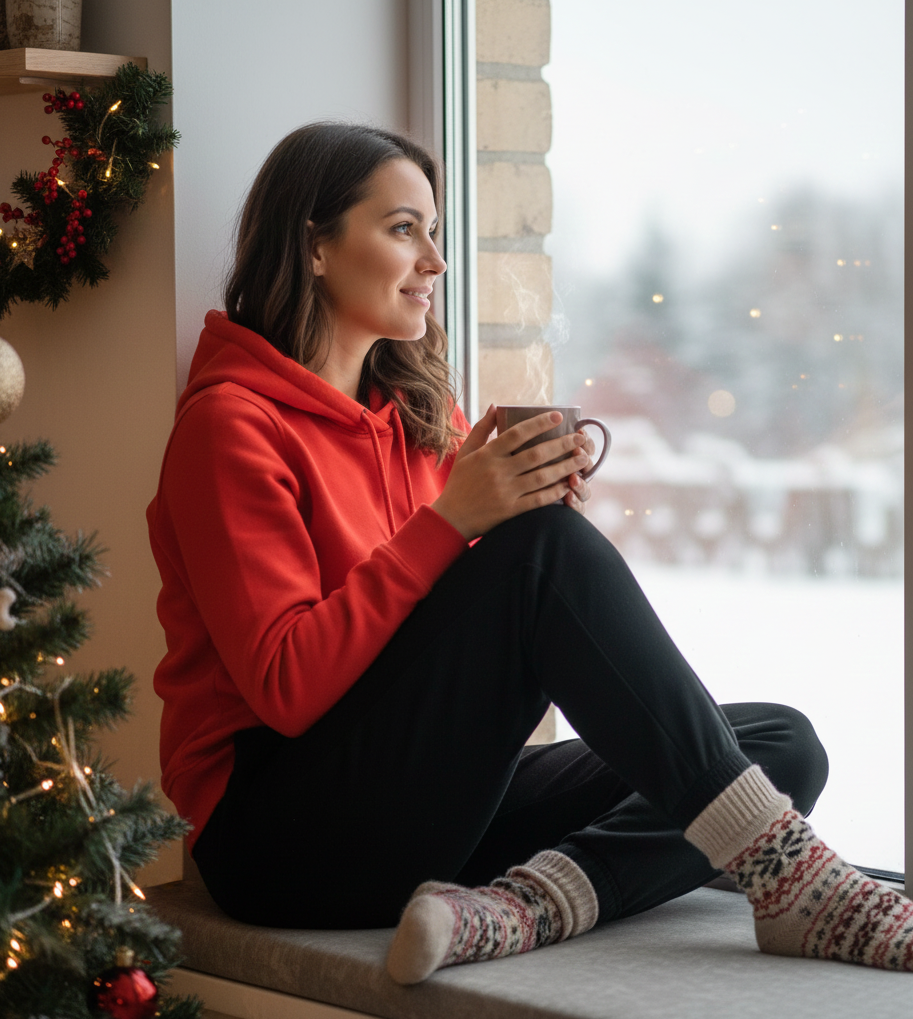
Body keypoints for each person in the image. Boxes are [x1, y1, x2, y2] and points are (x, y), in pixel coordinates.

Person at [147, 122, 912, 985]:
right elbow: (286, 687)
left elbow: (444, 634)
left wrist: (510, 502)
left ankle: (517, 909)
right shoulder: (229, 426)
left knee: (781, 746)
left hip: (415, 801)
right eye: (404, 230)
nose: (434, 260)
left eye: (432, 232)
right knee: (542, 554)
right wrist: (460, 523)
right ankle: (804, 888)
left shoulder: (410, 420)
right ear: (314, 245)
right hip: (283, 837)